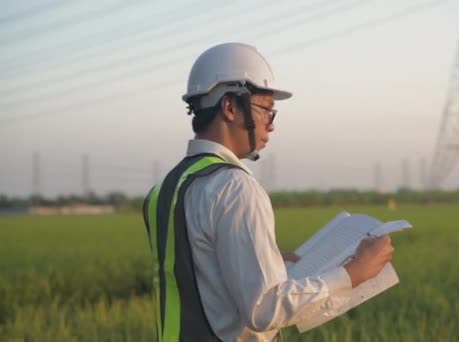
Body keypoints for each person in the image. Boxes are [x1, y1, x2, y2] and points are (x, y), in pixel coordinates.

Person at [143, 42, 394, 342]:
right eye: (266, 111)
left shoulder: (166, 189)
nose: (270, 125)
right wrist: (353, 273)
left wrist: (264, 258)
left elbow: (199, 273)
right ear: (230, 107)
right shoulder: (235, 188)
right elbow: (264, 308)